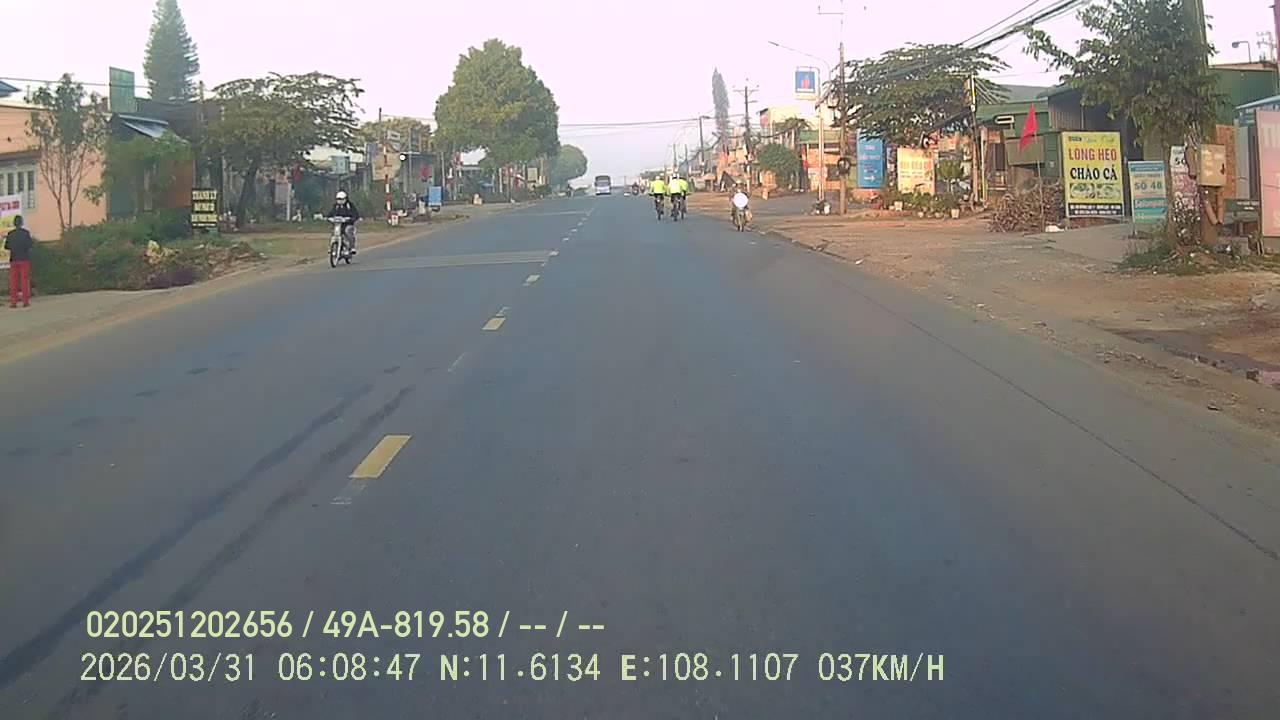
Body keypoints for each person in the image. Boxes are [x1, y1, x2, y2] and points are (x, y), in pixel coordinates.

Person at [4, 215, 34, 308]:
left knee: (14, 282)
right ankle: (25, 301)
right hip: (24, 259)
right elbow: (30, 245)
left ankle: (13, 302)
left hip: (13, 259)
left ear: (14, 223)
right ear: (22, 223)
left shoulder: (10, 234)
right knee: (24, 281)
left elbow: (6, 246)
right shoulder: (26, 233)